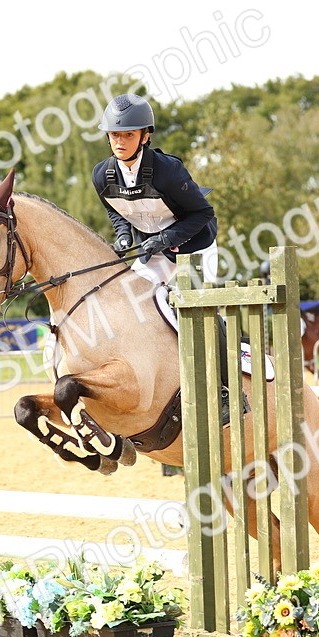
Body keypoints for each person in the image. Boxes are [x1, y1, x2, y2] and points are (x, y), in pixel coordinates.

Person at [92, 92, 243, 425]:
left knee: (194, 312)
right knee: (129, 303)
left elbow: (204, 213)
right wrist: (122, 236)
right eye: (115, 134)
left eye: (128, 134)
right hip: (155, 252)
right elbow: (116, 211)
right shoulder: (102, 175)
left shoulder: (167, 170)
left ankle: (229, 391)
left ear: (145, 136)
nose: (120, 141)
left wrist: (164, 239)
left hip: (196, 249)